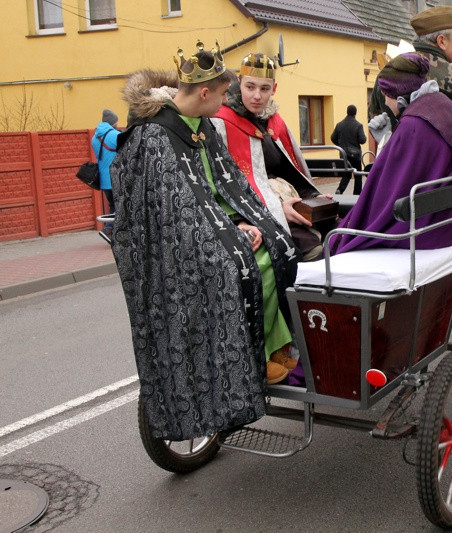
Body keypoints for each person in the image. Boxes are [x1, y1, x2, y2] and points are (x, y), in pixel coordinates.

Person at [110, 42, 299, 441]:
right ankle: (245, 363)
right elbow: (175, 209)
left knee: (277, 246)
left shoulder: (202, 126)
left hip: (212, 222)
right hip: (173, 243)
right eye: (225, 94)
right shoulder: (154, 136)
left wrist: (245, 220)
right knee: (237, 265)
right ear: (203, 93)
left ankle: (273, 346)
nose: (228, 102)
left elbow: (221, 186)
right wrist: (230, 233)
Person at [330, 53, 452, 254]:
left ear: (397, 96)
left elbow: (383, 192)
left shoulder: (413, 125)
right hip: (450, 221)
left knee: (337, 239)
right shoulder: (444, 105)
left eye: (385, 94)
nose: (384, 101)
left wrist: (347, 226)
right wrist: (392, 137)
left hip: (426, 230)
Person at [211, 53, 331, 261]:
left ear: (274, 89)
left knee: (338, 231)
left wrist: (313, 197)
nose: (257, 96)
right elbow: (224, 186)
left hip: (289, 204)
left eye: (264, 89)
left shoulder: (274, 121)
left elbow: (291, 170)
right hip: (252, 213)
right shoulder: (220, 123)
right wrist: (276, 208)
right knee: (314, 251)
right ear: (239, 84)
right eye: (250, 87)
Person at [368, 5, 452, 152]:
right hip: (442, 172)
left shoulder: (387, 74)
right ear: (441, 41)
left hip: (395, 167)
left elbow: (374, 125)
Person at [91, 109, 120, 242]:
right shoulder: (114, 135)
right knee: (121, 207)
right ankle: (108, 229)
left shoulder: (95, 137)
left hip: (104, 180)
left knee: (113, 206)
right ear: (113, 122)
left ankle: (114, 233)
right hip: (116, 178)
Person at [330, 104, 367, 194]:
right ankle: (356, 194)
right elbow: (362, 140)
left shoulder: (339, 125)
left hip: (344, 155)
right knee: (358, 175)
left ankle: (340, 190)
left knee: (346, 174)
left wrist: (340, 145)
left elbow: (333, 137)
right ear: (355, 113)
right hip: (355, 156)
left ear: (347, 112)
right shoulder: (358, 125)